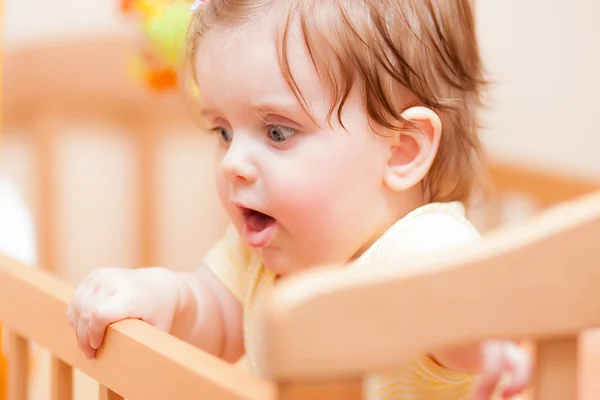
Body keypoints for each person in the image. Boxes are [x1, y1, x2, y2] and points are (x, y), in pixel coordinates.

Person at [67, 0, 532, 398]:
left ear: (401, 150)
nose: (233, 163)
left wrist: (487, 332)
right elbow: (212, 318)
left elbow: (458, 303)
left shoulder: (420, 248)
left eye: (276, 132)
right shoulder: (259, 260)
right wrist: (160, 294)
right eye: (223, 131)